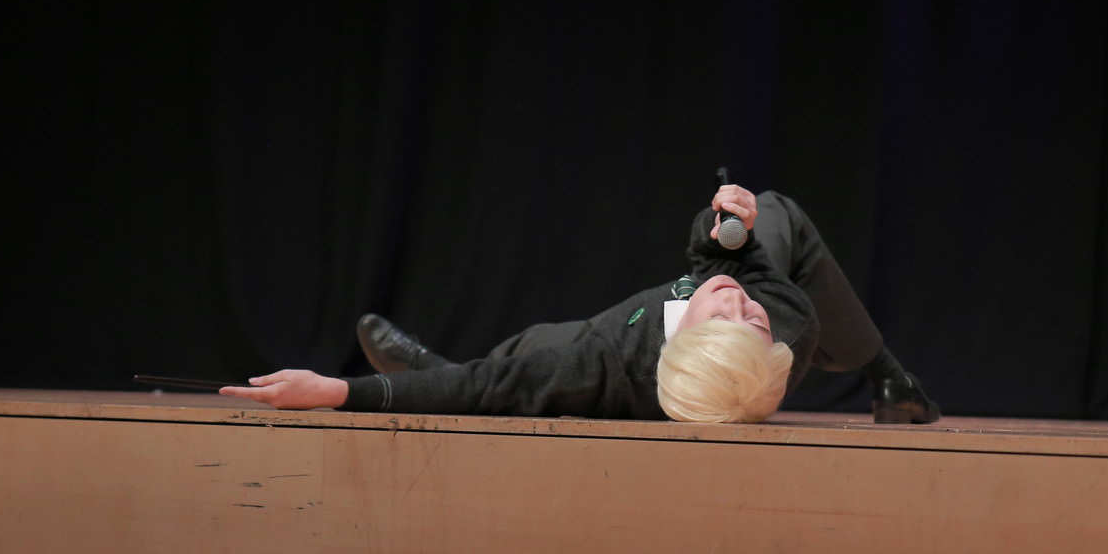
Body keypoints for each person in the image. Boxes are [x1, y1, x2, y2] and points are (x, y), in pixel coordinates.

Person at [217, 183, 939, 424]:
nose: (739, 302)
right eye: (750, 318)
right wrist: (729, 222)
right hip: (748, 306)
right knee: (778, 212)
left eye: (727, 315)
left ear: (679, 341)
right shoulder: (786, 319)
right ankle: (890, 377)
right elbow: (723, 265)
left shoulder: (606, 366)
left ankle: (431, 369)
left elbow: (490, 387)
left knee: (524, 360)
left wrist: (340, 390)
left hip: (590, 345)